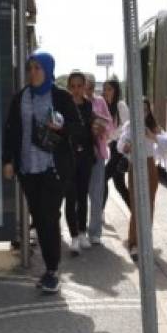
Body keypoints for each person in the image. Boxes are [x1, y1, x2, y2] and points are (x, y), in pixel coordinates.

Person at [1, 51, 79, 295]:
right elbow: (11, 131)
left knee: (48, 217)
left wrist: (63, 126)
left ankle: (52, 270)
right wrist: (8, 160)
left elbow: (80, 130)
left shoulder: (61, 97)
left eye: (38, 68)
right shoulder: (20, 98)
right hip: (28, 169)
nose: (33, 73)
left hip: (53, 169)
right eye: (30, 68)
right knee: (40, 217)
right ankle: (50, 268)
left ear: (48, 70)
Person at [118, 98, 167, 259]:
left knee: (148, 205)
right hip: (134, 165)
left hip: (149, 165)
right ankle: (133, 243)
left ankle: (145, 242)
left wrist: (152, 136)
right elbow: (120, 146)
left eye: (145, 109)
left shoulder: (153, 125)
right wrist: (126, 146)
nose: (142, 112)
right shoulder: (129, 126)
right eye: (139, 109)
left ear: (149, 111)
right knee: (136, 205)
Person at [66, 72, 95, 254]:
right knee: (71, 197)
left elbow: (88, 130)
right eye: (73, 86)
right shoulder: (64, 105)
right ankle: (74, 236)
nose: (77, 90)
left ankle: (83, 232)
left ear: (85, 87)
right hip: (68, 156)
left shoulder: (88, 105)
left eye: (80, 86)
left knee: (83, 195)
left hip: (85, 156)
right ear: (69, 87)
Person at [87, 93, 112, 245]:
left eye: (90, 86)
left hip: (98, 155)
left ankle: (95, 231)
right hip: (79, 155)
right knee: (78, 196)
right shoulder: (74, 101)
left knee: (97, 194)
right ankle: (79, 230)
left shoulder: (100, 101)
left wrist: (102, 128)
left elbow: (110, 126)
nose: (86, 89)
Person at [103, 78, 131, 210]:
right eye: (105, 89)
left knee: (102, 178)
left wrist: (111, 135)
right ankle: (135, 213)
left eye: (109, 89)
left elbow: (127, 127)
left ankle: (99, 212)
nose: (106, 92)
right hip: (113, 147)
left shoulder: (121, 105)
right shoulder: (107, 107)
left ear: (116, 91)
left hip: (121, 149)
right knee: (119, 185)